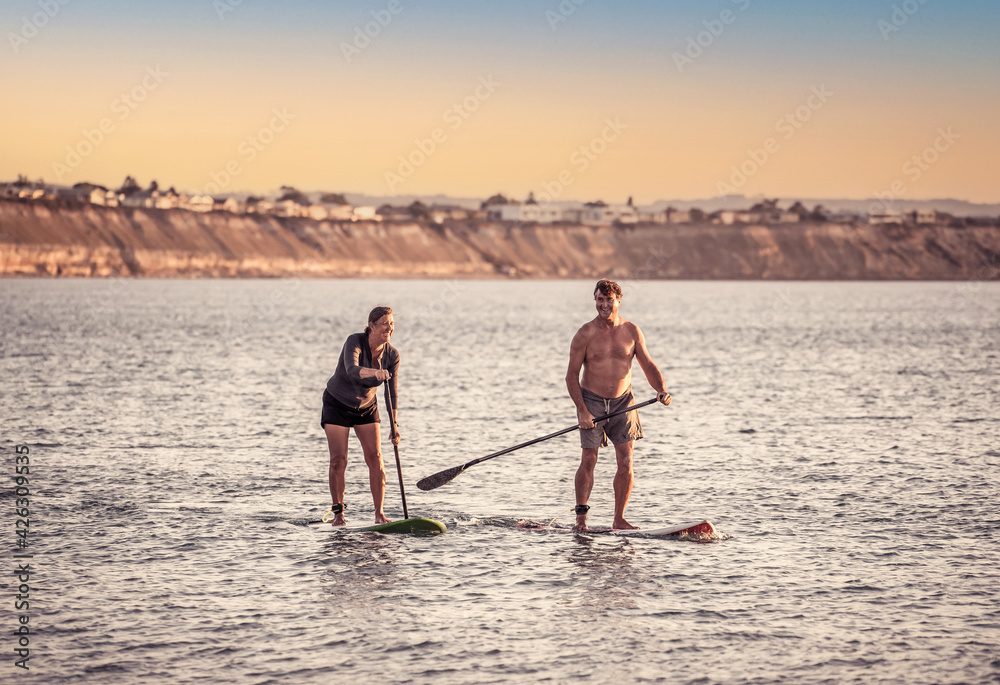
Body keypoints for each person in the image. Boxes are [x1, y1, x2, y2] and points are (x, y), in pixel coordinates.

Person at [566, 279, 671, 531]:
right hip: (591, 402)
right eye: (599, 300)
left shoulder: (632, 331)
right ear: (595, 300)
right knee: (589, 459)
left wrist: (661, 390)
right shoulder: (585, 334)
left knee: (626, 461)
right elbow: (571, 376)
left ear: (618, 301)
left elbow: (648, 365)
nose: (604, 305)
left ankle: (619, 519)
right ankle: (581, 520)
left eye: (609, 300)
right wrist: (583, 410)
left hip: (624, 402)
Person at [321, 305, 400, 526]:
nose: (389, 328)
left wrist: (394, 425)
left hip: (366, 406)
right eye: (384, 324)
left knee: (376, 458)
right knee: (339, 460)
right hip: (337, 404)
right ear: (371, 326)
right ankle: (338, 515)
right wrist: (376, 372)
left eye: (392, 324)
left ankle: (379, 514)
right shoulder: (354, 341)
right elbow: (351, 370)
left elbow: (392, 393)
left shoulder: (392, 355)